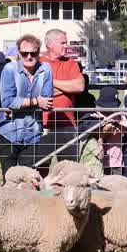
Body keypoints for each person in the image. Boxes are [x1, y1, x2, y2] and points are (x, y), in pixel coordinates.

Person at [0, 34, 53, 174]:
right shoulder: (10, 69)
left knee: (28, 181)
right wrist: (36, 101)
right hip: (8, 133)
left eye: (33, 53)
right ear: (18, 53)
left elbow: (48, 101)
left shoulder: (46, 69)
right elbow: (7, 101)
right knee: (9, 180)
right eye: (24, 53)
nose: (29, 57)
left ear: (39, 53)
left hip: (32, 134)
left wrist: (18, 105)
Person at [38, 29, 86, 164]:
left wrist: (51, 81)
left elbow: (79, 87)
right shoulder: (38, 63)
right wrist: (67, 88)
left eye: (67, 43)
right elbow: (38, 92)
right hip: (43, 125)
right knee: (40, 167)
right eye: (62, 43)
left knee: (68, 169)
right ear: (49, 44)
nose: (66, 46)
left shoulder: (71, 63)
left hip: (67, 125)